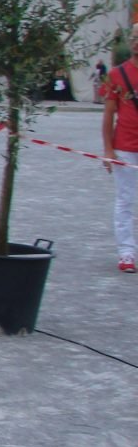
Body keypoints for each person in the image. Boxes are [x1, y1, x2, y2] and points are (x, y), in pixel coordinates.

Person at [102, 24, 138, 273]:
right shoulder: (117, 75)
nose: (136, 43)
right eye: (134, 38)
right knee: (125, 200)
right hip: (125, 146)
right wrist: (108, 150)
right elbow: (108, 115)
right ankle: (126, 253)